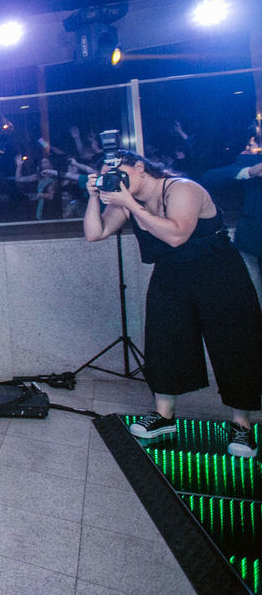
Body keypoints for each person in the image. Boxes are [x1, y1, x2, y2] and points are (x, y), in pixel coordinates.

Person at [84, 149, 262, 458]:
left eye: (121, 174)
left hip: (217, 270)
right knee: (165, 340)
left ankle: (242, 425)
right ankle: (164, 417)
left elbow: (177, 235)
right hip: (170, 273)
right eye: (110, 176)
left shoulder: (182, 188)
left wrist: (128, 204)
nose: (118, 181)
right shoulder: (129, 202)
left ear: (140, 168)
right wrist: (93, 197)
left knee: (234, 344)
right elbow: (94, 233)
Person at [201, 126, 262, 305]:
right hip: (255, 240)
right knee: (253, 297)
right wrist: (250, 172)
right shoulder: (251, 160)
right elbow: (210, 178)